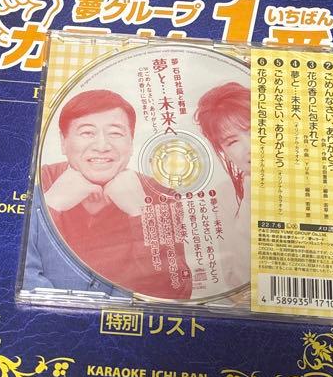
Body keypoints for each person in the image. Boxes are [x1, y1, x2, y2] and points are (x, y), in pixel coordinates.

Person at [26, 89, 192, 300]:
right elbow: (18, 278)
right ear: (63, 141)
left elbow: (175, 292)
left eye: (115, 133)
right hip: (49, 321)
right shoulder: (36, 181)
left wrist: (141, 213)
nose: (102, 146)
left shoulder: (160, 196)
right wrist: (50, 205)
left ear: (131, 142)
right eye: (87, 133)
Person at [194, 81, 251, 293]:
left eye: (254, 130)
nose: (250, 148)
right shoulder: (221, 198)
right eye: (232, 142)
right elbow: (237, 288)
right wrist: (249, 202)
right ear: (223, 151)